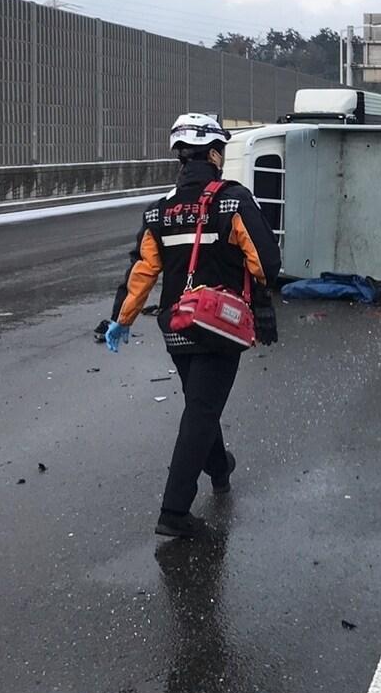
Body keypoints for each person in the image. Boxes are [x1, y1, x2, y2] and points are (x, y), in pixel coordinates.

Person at [103, 113, 282, 538]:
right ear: (215, 154)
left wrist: (121, 320)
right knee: (201, 410)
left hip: (177, 326)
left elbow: (142, 273)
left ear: (181, 158)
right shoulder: (234, 200)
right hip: (221, 326)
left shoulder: (158, 211)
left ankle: (220, 469)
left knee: (201, 404)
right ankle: (174, 511)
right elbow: (266, 264)